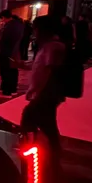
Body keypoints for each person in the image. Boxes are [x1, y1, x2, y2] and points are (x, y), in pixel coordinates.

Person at [19, 15, 66, 172]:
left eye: (35, 29)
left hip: (46, 95)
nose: (34, 32)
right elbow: (41, 67)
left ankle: (44, 156)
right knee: (46, 124)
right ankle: (49, 156)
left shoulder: (54, 47)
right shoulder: (49, 46)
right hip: (44, 94)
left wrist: (37, 92)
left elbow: (52, 72)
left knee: (33, 120)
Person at [0, 9, 24, 98]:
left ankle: (6, 92)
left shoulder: (8, 26)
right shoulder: (19, 24)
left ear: (3, 17)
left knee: (5, 71)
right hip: (15, 51)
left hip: (6, 52)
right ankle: (13, 89)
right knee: (13, 71)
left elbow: (5, 40)